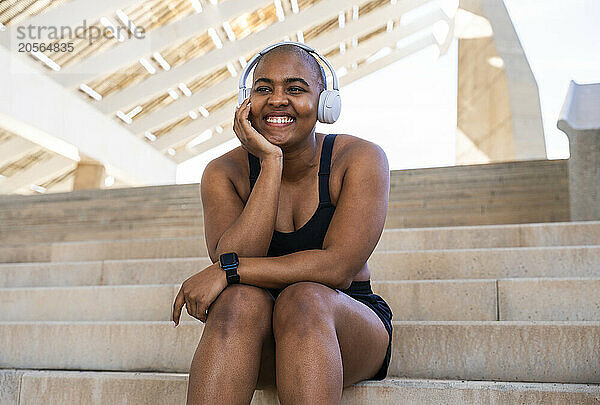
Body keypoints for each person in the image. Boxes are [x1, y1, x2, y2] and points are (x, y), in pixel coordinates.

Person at [172, 43, 393, 405]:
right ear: (246, 101)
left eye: (295, 88)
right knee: (238, 301)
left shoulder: (359, 159)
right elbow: (234, 254)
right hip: (253, 333)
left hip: (339, 325)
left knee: (303, 298)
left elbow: (337, 269)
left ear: (325, 103)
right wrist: (271, 163)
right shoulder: (224, 172)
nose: (277, 100)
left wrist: (230, 270)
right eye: (263, 89)